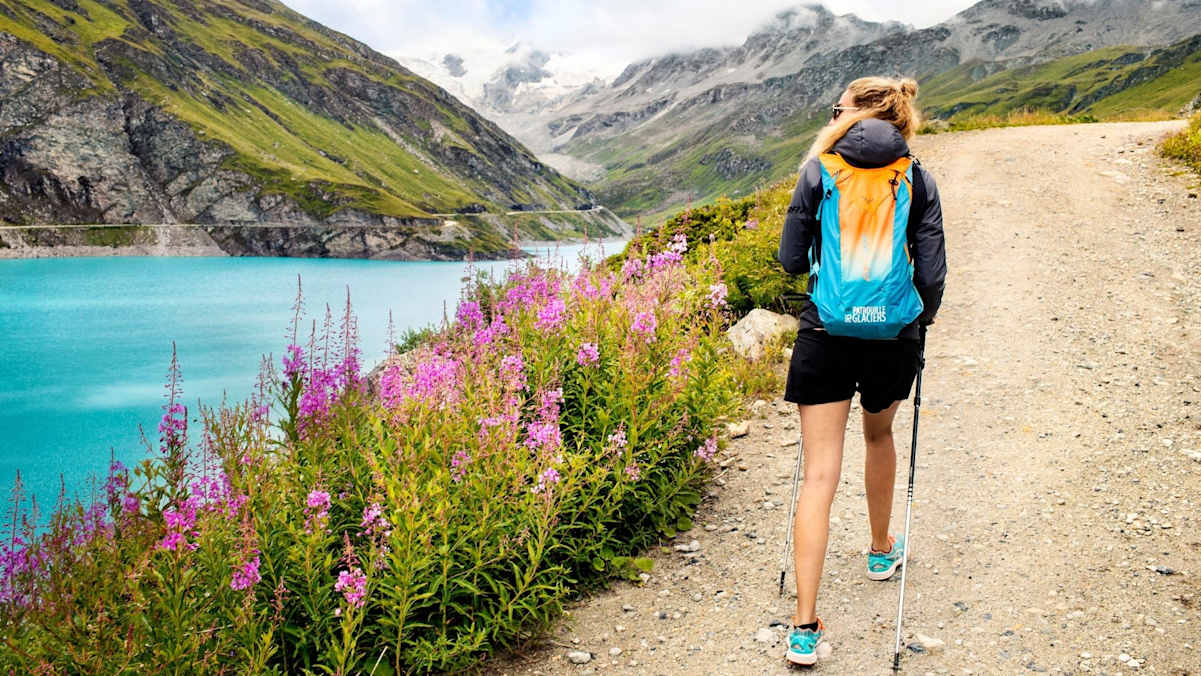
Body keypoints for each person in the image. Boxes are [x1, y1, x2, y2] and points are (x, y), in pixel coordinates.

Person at [775, 76, 947, 666]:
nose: (834, 114)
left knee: (819, 473)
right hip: (893, 334)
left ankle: (803, 627)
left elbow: (792, 259)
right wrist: (919, 322)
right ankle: (879, 551)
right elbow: (931, 272)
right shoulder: (917, 177)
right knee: (880, 434)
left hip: (825, 330)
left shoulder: (819, 171)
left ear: (855, 114)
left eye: (838, 108)